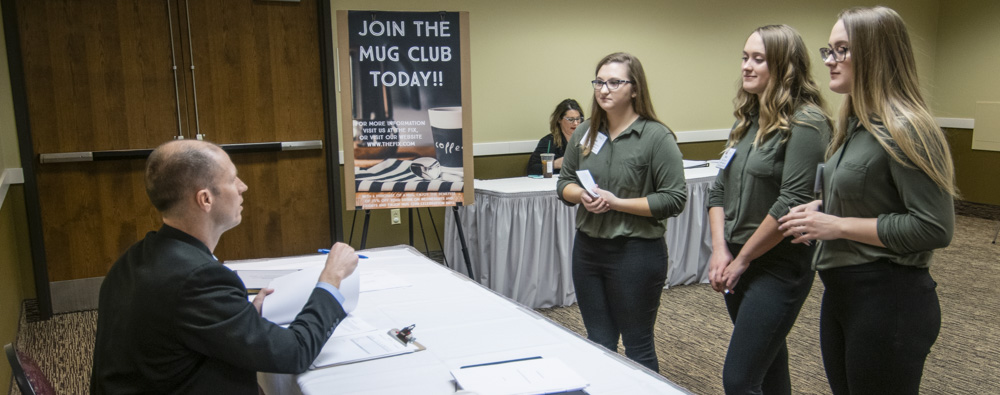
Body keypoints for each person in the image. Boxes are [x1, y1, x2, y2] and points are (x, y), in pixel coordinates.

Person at [777, 6, 956, 394]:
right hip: (843, 293)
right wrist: (821, 211)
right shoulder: (855, 125)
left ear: (875, 54)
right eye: (830, 50)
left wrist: (836, 225)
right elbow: (869, 199)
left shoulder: (906, 127)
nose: (830, 61)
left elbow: (934, 227)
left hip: (889, 298)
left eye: (842, 50)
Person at [91, 140, 359, 394]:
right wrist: (331, 278)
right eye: (232, 179)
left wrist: (237, 317)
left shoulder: (135, 257)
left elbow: (175, 330)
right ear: (205, 199)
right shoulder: (199, 279)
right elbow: (295, 352)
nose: (243, 187)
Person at [706, 25, 831, 394]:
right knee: (769, 364)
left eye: (758, 59)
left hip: (778, 265)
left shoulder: (807, 123)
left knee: (740, 379)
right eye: (745, 57)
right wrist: (719, 250)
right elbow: (717, 192)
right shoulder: (745, 120)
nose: (746, 66)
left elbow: (791, 201)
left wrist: (741, 259)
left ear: (785, 66)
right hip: (737, 258)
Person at [557, 52, 687, 371]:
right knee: (598, 343)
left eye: (615, 82)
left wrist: (616, 203)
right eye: (599, 81)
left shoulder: (656, 136)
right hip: (587, 250)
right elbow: (564, 183)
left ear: (634, 89)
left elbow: (674, 199)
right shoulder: (586, 132)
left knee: (637, 345)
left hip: (636, 253)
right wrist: (582, 196)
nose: (604, 89)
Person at [527, 99, 585, 175]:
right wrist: (554, 164)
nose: (575, 123)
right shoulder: (549, 141)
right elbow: (532, 169)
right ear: (559, 119)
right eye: (570, 119)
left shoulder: (587, 139)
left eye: (578, 119)